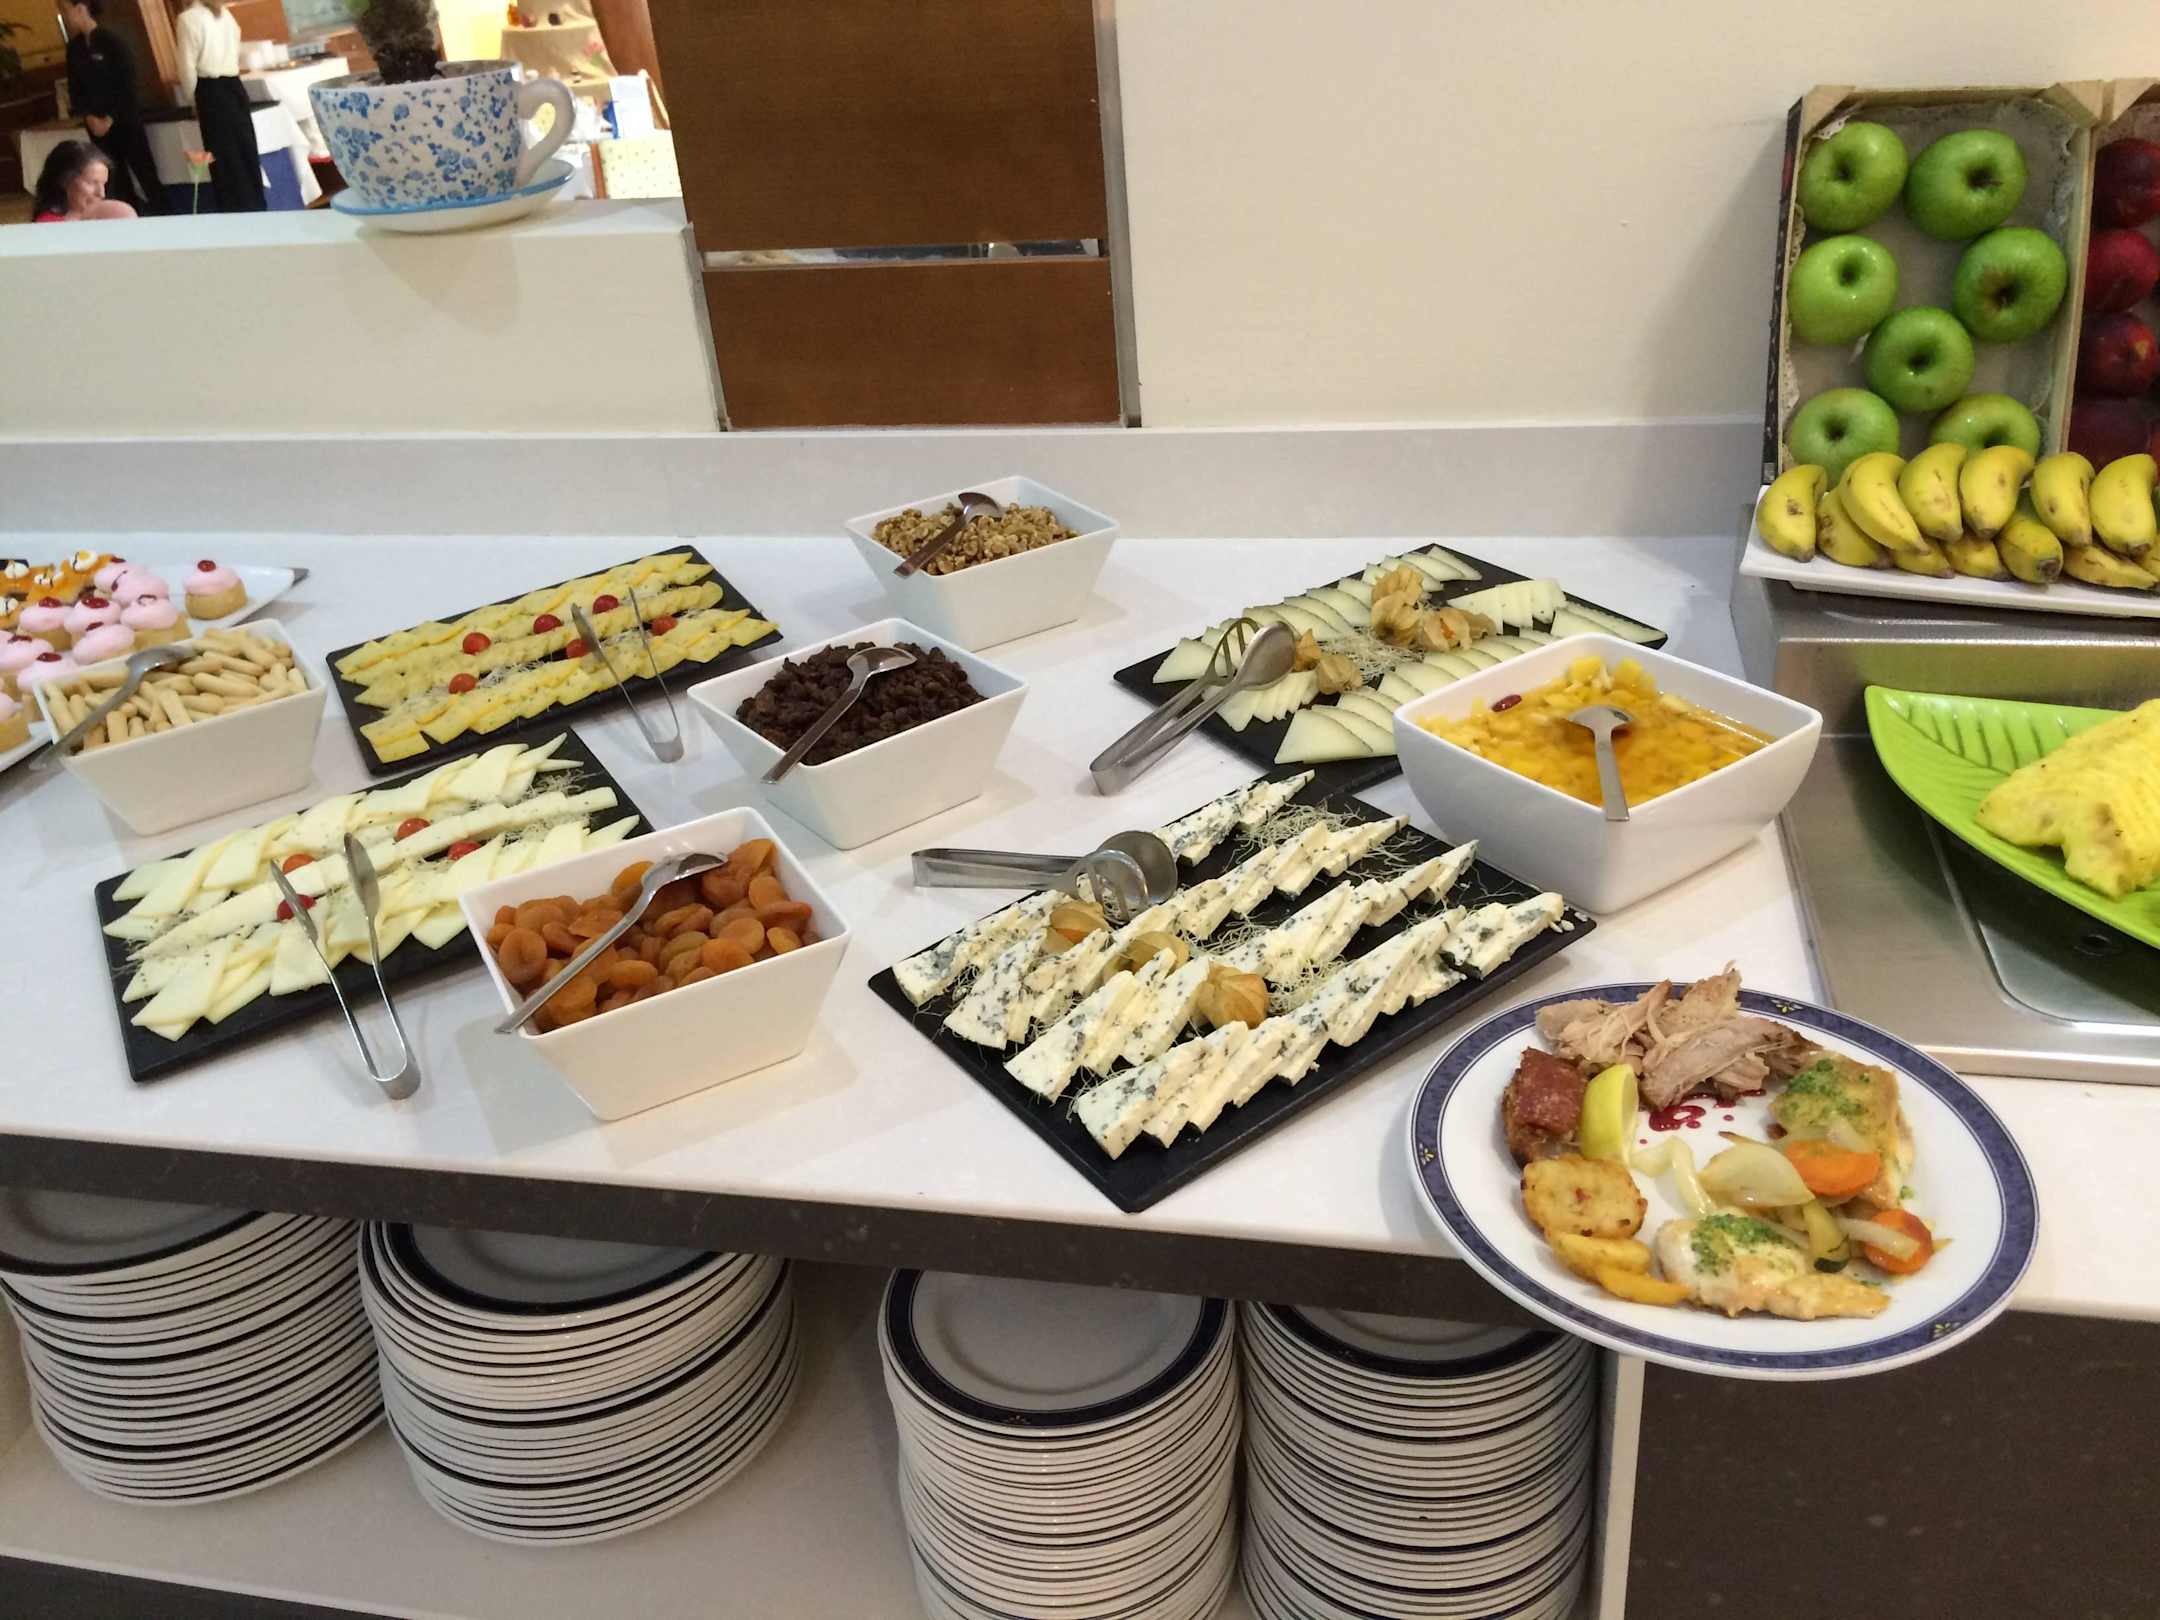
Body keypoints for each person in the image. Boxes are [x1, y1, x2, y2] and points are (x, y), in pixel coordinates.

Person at [64, 0, 166, 216]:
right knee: (114, 180)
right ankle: (126, 219)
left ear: (81, 9)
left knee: (145, 174)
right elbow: (75, 89)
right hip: (96, 128)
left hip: (125, 120)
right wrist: (89, 116)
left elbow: (128, 83)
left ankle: (164, 217)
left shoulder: (112, 40)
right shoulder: (74, 48)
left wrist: (110, 118)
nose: (67, 16)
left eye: (68, 10)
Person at [174, 0, 264, 212]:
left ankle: (235, 212)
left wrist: (192, 99)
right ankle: (257, 206)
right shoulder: (225, 14)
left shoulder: (187, 19)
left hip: (211, 90)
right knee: (246, 152)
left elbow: (186, 66)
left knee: (224, 159)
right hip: (234, 86)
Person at [31, 140, 139, 222]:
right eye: (91, 183)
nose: (101, 194)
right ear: (64, 180)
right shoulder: (49, 227)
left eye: (104, 184)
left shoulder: (107, 216)